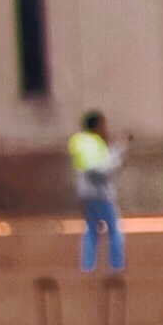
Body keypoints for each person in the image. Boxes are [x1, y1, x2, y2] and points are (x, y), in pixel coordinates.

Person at [68, 108, 125, 290]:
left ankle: (87, 266)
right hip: (101, 194)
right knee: (114, 230)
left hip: (87, 195)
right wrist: (116, 155)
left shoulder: (81, 143)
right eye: (103, 124)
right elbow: (102, 168)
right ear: (96, 126)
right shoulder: (94, 144)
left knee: (91, 231)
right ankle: (116, 266)